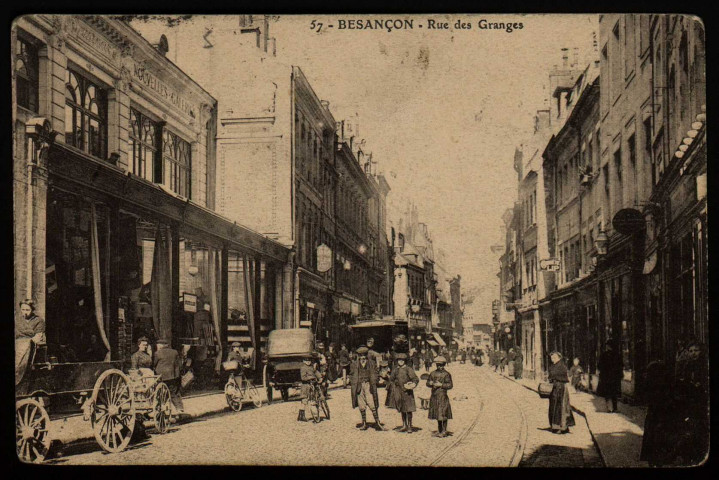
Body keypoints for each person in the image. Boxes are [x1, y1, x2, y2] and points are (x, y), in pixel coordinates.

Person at [672, 340, 709, 465]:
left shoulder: (704, 365)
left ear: (701, 351)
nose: (693, 353)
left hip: (700, 401)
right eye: (691, 351)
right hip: (688, 401)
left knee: (699, 428)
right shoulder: (687, 365)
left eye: (696, 351)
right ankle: (687, 455)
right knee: (688, 427)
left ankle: (699, 455)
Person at [639, 360, 675, 466]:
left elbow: (645, 398)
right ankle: (660, 461)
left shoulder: (649, 384)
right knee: (661, 439)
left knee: (651, 438)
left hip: (653, 416)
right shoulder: (666, 385)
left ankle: (652, 461)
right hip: (663, 416)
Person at [350, 346, 387, 431]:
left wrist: (375, 380)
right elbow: (351, 374)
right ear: (358, 356)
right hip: (358, 386)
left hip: (368, 385)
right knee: (361, 405)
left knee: (372, 404)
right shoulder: (354, 364)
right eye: (361, 356)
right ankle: (364, 423)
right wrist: (353, 382)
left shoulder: (372, 363)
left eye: (364, 356)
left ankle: (377, 423)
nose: (362, 358)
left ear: (366, 355)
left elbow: (376, 372)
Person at [15, 299, 46, 385]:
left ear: (32, 310)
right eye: (23, 309)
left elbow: (38, 336)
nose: (25, 312)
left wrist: (29, 342)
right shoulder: (17, 320)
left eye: (27, 310)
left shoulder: (38, 321)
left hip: (30, 345)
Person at [388, 352, 419, 433]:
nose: (400, 362)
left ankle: (409, 426)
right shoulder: (395, 370)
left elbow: (415, 379)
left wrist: (412, 384)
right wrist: (394, 385)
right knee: (402, 409)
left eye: (402, 360)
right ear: (397, 361)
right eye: (399, 360)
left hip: (407, 392)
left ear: (405, 361)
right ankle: (404, 425)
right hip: (399, 392)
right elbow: (391, 379)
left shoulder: (408, 369)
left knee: (409, 409)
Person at [547, 351, 575, 434]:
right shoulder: (554, 366)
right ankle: (556, 426)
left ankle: (561, 427)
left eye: (554, 358)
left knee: (561, 407)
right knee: (554, 407)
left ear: (559, 358)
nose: (552, 359)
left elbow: (555, 375)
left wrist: (551, 377)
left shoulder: (561, 366)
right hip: (555, 388)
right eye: (552, 358)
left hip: (561, 388)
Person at [154, 339, 184, 414]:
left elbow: (154, 364)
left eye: (158, 345)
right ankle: (179, 408)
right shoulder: (174, 352)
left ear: (161, 345)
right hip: (172, 376)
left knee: (160, 391)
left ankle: (161, 406)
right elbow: (179, 365)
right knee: (174, 392)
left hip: (161, 376)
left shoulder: (157, 353)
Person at [427, 355, 453, 437]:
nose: (440, 367)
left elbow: (450, 385)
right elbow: (427, 382)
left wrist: (441, 384)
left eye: (441, 365)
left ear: (444, 365)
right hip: (434, 396)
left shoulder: (447, 374)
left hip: (442, 396)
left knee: (443, 413)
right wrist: (430, 383)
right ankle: (440, 430)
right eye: (438, 365)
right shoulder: (432, 373)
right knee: (437, 413)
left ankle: (444, 431)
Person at [597, 342, 622, 413]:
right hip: (614, 378)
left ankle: (609, 408)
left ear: (608, 347)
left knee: (607, 393)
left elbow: (599, 366)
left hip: (606, 378)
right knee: (614, 393)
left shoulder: (603, 355)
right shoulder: (617, 355)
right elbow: (621, 366)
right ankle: (615, 408)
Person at [298, 353, 323, 423]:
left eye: (309, 360)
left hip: (313, 384)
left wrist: (320, 377)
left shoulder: (311, 367)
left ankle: (318, 407)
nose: (308, 362)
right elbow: (303, 377)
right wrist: (311, 377)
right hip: (306, 385)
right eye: (306, 360)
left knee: (316, 396)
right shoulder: (303, 368)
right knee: (304, 400)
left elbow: (316, 372)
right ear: (303, 361)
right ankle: (301, 415)